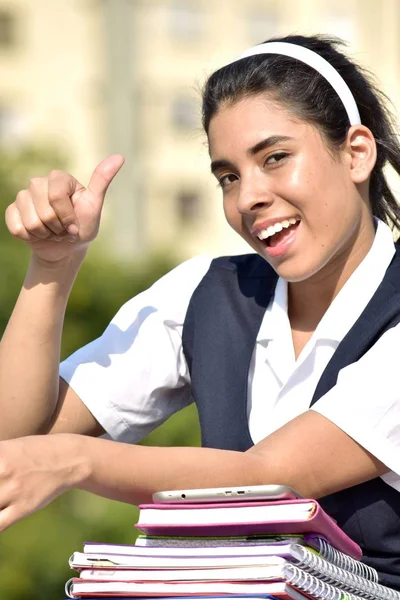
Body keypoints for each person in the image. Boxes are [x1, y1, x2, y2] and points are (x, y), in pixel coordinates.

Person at [1, 34, 400, 588]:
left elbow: (269, 476)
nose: (247, 198)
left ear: (357, 152)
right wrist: (52, 265)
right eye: (228, 176)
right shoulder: (204, 294)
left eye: (275, 158)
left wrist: (74, 462)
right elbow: (16, 435)